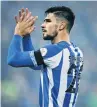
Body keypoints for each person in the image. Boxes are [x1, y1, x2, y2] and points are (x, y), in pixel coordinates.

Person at [7, 6, 84, 107]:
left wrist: (17, 33)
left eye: (48, 21)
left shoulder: (53, 51)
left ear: (61, 25)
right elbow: (36, 65)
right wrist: (26, 36)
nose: (42, 25)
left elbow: (13, 59)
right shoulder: (77, 52)